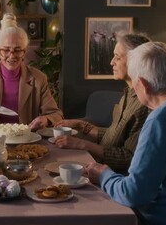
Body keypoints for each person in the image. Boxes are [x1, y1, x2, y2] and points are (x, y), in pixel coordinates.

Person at [86, 42, 166, 225]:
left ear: (143, 84)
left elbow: (133, 194)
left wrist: (104, 175)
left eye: (133, 82)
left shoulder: (161, 119)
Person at [53, 32, 150, 174]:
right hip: (102, 167)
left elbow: (129, 158)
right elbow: (115, 136)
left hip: (115, 178)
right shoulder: (129, 94)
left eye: (117, 57)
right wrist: (81, 125)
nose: (112, 62)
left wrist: (81, 144)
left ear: (136, 61)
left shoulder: (144, 104)